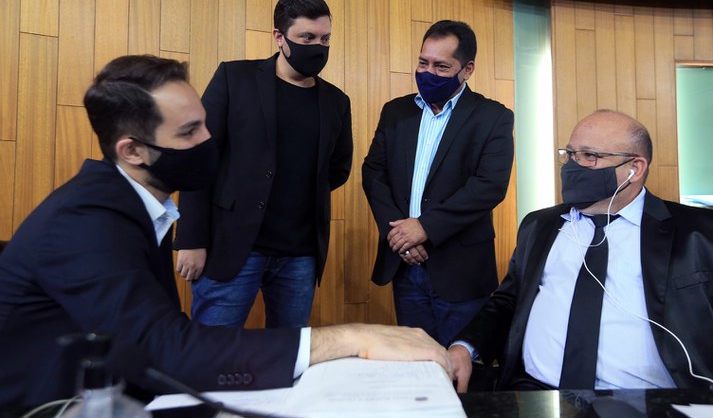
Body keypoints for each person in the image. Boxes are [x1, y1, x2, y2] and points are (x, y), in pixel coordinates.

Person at [0, 55, 449, 407]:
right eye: (190, 132)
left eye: (205, 124)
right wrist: (352, 337)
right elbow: (168, 352)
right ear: (133, 150)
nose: (209, 141)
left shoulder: (131, 204)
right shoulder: (86, 220)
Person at [449, 110, 713, 392]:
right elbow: (508, 301)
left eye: (590, 156)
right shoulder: (538, 225)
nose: (573, 166)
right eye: (570, 154)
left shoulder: (708, 235)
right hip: (534, 392)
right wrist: (466, 347)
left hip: (655, 401)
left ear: (635, 168)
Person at [174, 0, 353, 328]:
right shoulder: (234, 78)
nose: (318, 47)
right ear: (279, 37)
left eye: (325, 39)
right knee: (213, 349)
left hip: (300, 255)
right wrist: (191, 239)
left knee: (289, 353)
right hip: (232, 245)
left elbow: (338, 168)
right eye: (307, 38)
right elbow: (198, 159)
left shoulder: (337, 101)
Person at [362, 20, 515, 346]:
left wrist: (424, 227)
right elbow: (373, 172)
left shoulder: (493, 117)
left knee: (460, 365)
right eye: (423, 63)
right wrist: (399, 235)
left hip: (461, 271)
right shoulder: (395, 112)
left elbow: (489, 185)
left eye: (441, 66)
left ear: (467, 69)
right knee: (417, 363)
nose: (428, 73)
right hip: (404, 264)